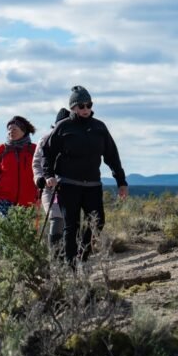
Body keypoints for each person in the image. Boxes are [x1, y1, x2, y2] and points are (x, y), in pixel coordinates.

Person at [42, 87, 128, 266]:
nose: (85, 109)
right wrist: (49, 175)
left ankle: (83, 255)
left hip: (93, 185)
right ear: (73, 107)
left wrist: (121, 181)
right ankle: (71, 265)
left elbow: (112, 155)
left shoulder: (99, 127)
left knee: (97, 222)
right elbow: (47, 153)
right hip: (68, 184)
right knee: (71, 226)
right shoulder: (63, 127)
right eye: (81, 105)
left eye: (88, 104)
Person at [0, 116, 38, 218]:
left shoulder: (34, 150)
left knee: (25, 232)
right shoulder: (1, 150)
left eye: (14, 129)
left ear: (23, 131)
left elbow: (41, 170)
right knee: (8, 230)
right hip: (4, 199)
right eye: (9, 129)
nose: (10, 132)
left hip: (29, 200)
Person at [33, 108, 70, 255]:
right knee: (56, 218)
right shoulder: (45, 139)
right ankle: (55, 257)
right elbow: (36, 163)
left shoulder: (74, 139)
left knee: (70, 222)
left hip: (71, 187)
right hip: (50, 188)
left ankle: (67, 256)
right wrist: (39, 178)